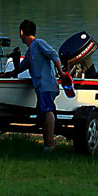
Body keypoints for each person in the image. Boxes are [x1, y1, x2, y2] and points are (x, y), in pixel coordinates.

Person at [10, 19, 69, 152]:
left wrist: (60, 72)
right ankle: (47, 142)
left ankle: (50, 142)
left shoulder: (39, 43)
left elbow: (53, 54)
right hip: (40, 88)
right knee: (43, 115)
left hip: (46, 86)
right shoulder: (31, 50)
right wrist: (9, 74)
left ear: (21, 32)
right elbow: (23, 66)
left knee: (47, 110)